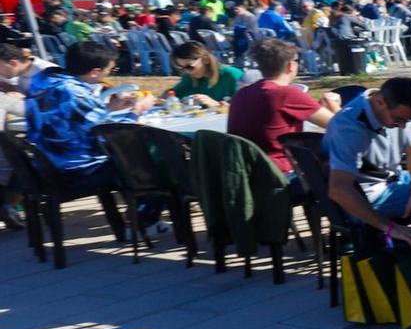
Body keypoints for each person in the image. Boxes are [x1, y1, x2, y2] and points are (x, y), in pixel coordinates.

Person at [21, 41, 165, 232]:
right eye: (109, 70)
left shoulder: (44, 81)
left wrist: (109, 108)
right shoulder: (73, 92)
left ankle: (140, 211)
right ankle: (145, 222)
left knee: (136, 157)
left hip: (48, 160)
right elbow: (111, 134)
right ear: (95, 72)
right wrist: (138, 110)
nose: (109, 74)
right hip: (73, 170)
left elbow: (73, 119)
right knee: (154, 163)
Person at [322, 75, 411, 247]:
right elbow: (338, 189)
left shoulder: (393, 110)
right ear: (379, 102)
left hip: (395, 178)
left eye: (408, 121)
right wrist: (391, 228)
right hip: (370, 196)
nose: (402, 127)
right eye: (399, 120)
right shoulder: (349, 129)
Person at [228, 39, 340, 177]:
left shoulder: (242, 93)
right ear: (290, 66)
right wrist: (334, 103)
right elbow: (339, 125)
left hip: (248, 172)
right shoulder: (286, 93)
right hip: (281, 173)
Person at [168, 42, 244, 108]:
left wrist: (216, 105)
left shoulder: (232, 75)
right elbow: (172, 95)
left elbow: (247, 108)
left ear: (205, 59)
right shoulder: (190, 77)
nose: (187, 71)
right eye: (181, 68)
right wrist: (161, 100)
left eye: (189, 67)